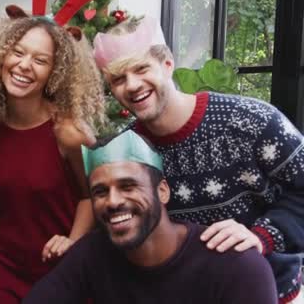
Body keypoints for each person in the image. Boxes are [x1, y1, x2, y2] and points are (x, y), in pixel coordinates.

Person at [93, 16, 304, 303]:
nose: (131, 85)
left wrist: (263, 235)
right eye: (118, 79)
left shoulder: (251, 121)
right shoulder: (127, 149)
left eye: (141, 69)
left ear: (167, 65)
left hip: (271, 292)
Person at [24, 130, 278, 303]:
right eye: (100, 192)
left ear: (162, 191)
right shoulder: (91, 253)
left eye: (128, 186)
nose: (113, 201)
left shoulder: (235, 264)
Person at [0, 6, 106, 302]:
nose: (24, 65)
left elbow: (90, 196)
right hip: (4, 270)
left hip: (60, 269)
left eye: (40, 60)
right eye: (18, 52)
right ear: (2, 56)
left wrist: (72, 241)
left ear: (54, 72)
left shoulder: (69, 132)